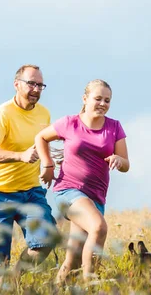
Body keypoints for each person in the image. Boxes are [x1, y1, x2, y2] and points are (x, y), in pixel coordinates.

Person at [35, 79, 129, 283]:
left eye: (107, 100)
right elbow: (41, 138)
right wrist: (48, 165)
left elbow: (126, 164)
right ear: (85, 99)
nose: (103, 103)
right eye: (98, 98)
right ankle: (91, 284)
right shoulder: (70, 123)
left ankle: (56, 288)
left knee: (73, 259)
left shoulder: (114, 127)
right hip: (67, 191)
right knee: (99, 227)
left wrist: (118, 159)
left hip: (95, 197)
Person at [0, 64, 58, 272]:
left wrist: (52, 160)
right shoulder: (3, 113)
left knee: (45, 241)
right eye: (31, 83)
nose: (36, 89)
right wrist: (19, 156)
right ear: (16, 85)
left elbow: (41, 146)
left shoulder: (44, 114)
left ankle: (14, 279)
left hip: (31, 192)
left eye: (40, 85)